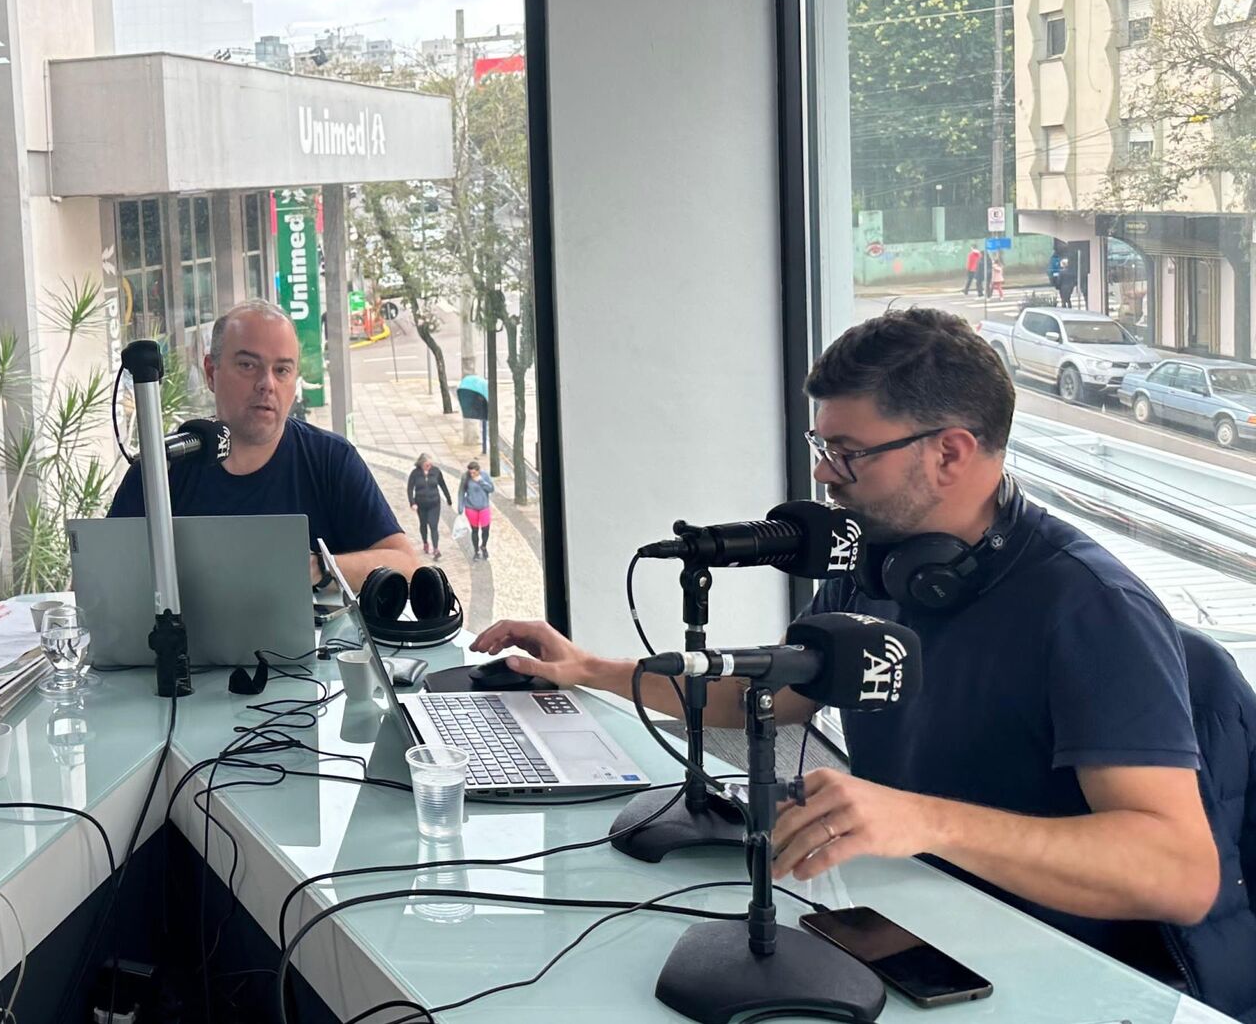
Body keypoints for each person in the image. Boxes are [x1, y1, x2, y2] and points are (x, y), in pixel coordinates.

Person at [475, 309, 1244, 1001]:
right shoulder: (877, 563)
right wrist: (593, 671)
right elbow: (765, 691)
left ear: (950, 453)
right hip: (904, 934)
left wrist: (921, 821)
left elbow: (1179, 873)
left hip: (1052, 980)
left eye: (847, 453)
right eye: (822, 447)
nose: (822, 474)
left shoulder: (1091, 608)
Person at [108, 300, 416, 591]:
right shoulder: (164, 467)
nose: (267, 383)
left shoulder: (330, 459)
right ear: (211, 372)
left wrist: (320, 568)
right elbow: (94, 584)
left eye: (282, 370)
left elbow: (405, 565)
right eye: (247, 365)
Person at [406, 453, 452, 560]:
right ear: (421, 464)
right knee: (423, 524)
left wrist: (448, 498)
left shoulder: (436, 471)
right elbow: (410, 488)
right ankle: (425, 542)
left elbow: (442, 485)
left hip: (434, 503)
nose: (429, 466)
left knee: (433, 525)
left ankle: (436, 549)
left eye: (430, 464)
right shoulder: (415, 473)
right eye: (427, 464)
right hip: (421, 504)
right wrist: (412, 503)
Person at [457, 460, 495, 560]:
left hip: (484, 507)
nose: (472, 474)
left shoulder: (485, 476)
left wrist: (481, 481)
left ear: (478, 471)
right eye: (470, 472)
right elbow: (461, 491)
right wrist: (460, 506)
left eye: (474, 472)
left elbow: (491, 489)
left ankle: (484, 546)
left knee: (485, 529)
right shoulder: (466, 477)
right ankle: (476, 550)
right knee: (474, 530)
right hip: (471, 507)